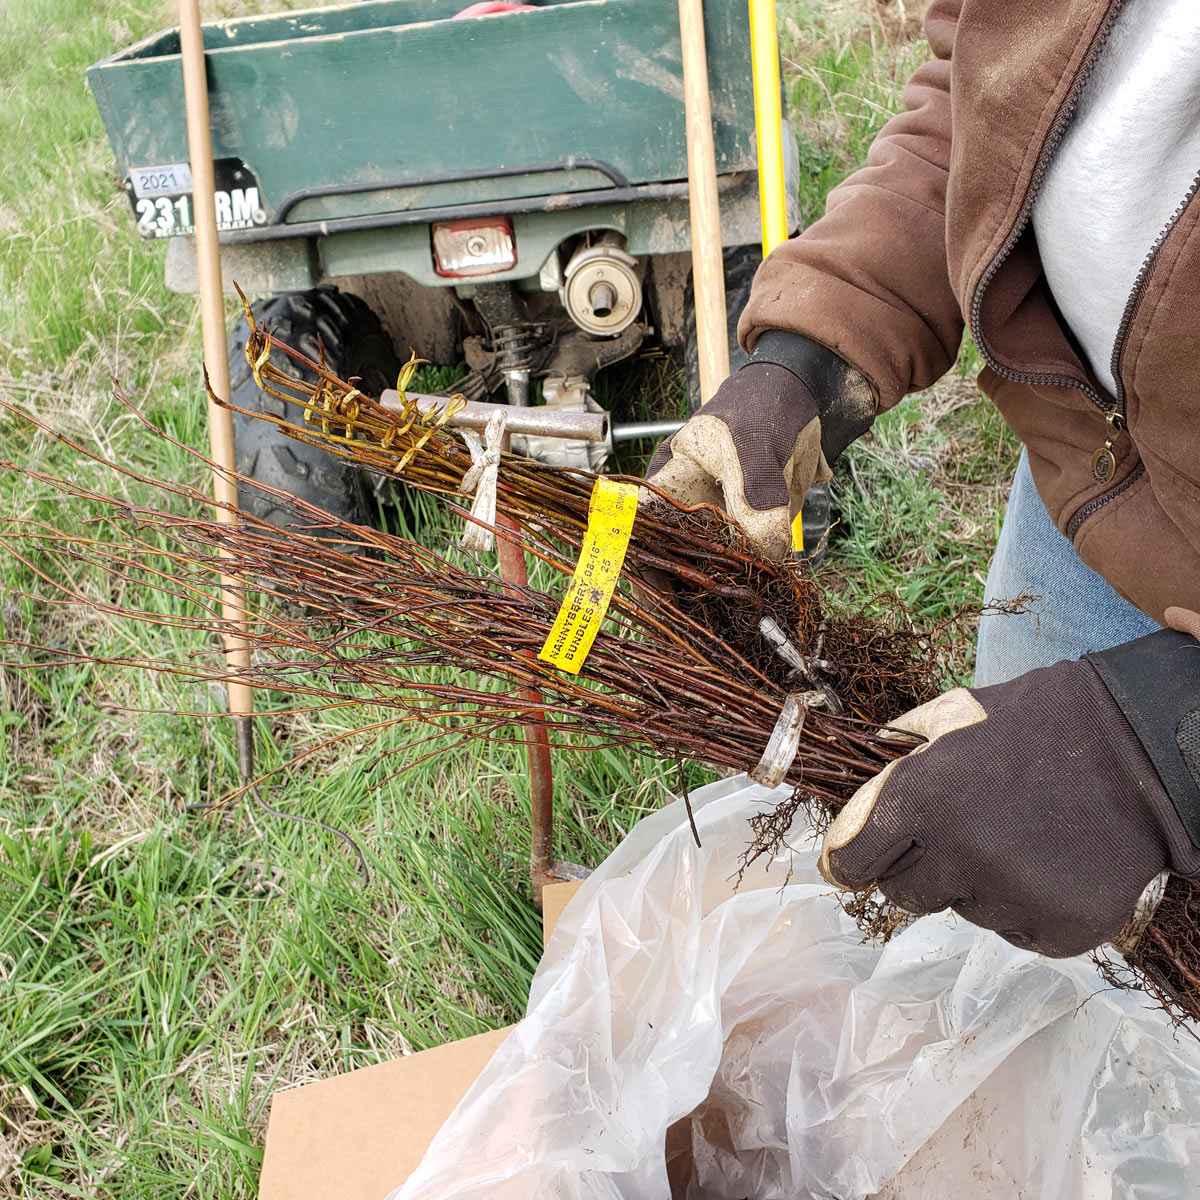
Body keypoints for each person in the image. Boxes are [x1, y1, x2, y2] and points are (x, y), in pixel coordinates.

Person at [646, 0, 1200, 959]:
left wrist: (1170, 737)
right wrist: (815, 350)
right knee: (1055, 938)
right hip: (1097, 477)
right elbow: (984, 102)